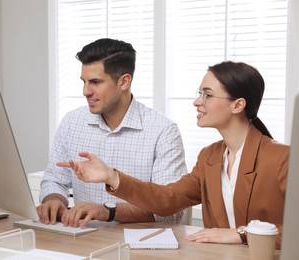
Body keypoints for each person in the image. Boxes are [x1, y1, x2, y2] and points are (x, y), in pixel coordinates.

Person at [57, 61, 289, 249]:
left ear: (237, 105)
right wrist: (111, 176)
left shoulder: (283, 159)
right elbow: (167, 199)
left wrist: (241, 234)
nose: (197, 101)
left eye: (207, 95)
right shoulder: (210, 157)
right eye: (200, 93)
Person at [37, 38, 187, 227]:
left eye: (95, 82)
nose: (85, 91)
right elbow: (54, 180)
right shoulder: (71, 122)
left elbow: (169, 213)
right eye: (84, 82)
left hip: (138, 249)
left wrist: (108, 211)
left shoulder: (162, 131)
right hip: (83, 241)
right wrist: (54, 200)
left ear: (124, 81)